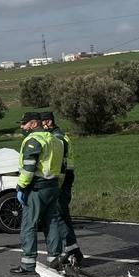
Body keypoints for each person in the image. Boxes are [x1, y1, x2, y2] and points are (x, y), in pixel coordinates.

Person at [12, 112, 65, 273]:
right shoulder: (56, 140)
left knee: (29, 225)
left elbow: (29, 168)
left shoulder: (33, 140)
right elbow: (62, 167)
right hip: (53, 186)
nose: (22, 127)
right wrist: (58, 185)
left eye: (24, 124)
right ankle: (54, 261)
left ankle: (28, 264)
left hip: (36, 188)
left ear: (34, 124)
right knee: (52, 223)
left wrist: (20, 186)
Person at [42, 111, 81, 266]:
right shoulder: (61, 136)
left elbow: (60, 163)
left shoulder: (57, 138)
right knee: (62, 215)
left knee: (58, 215)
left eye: (44, 122)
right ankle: (74, 252)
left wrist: (57, 183)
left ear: (49, 122)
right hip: (66, 176)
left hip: (62, 178)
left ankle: (71, 253)